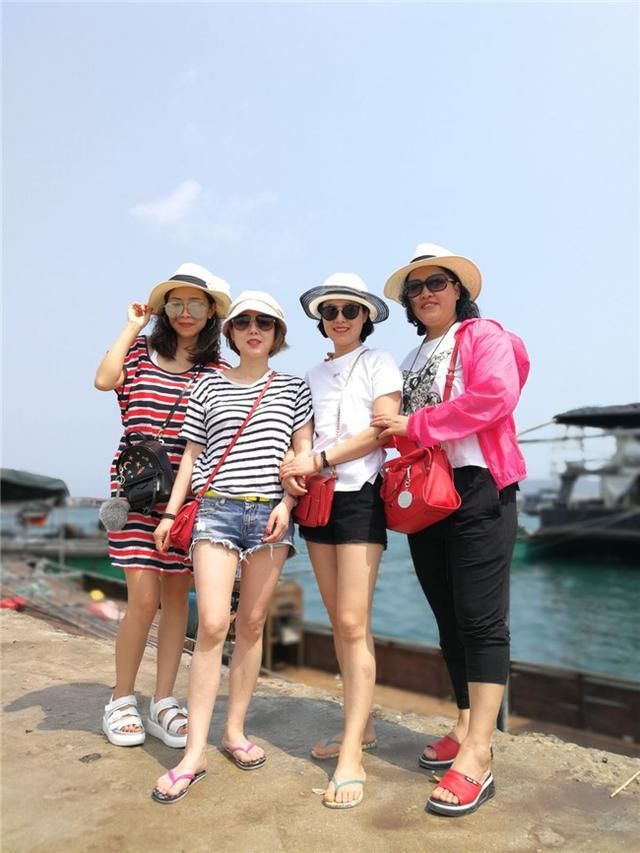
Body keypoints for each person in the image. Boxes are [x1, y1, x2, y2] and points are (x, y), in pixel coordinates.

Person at [372, 243, 529, 816]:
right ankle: (465, 725)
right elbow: (392, 427)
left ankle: (479, 755)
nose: (425, 293)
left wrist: (414, 423)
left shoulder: (483, 335)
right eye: (415, 288)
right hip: (426, 494)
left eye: (436, 282)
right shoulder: (412, 356)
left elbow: (497, 396)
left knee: (482, 620)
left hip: (479, 486)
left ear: (458, 289)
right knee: (449, 616)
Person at [151, 291, 313, 804]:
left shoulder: (293, 388)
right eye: (243, 322)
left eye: (265, 322)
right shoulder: (207, 386)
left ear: (278, 334)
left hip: (269, 515)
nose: (253, 329)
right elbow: (190, 455)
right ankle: (193, 752)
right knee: (213, 624)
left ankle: (234, 730)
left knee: (254, 624)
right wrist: (172, 513)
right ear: (231, 332)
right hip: (216, 509)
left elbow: (302, 454)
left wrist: (288, 503)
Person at [95, 263, 232, 748]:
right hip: (135, 495)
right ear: (164, 309)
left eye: (196, 303)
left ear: (211, 311)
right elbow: (103, 379)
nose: (185, 312)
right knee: (143, 599)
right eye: (176, 303)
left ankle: (162, 701)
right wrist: (133, 325)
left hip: (186, 499)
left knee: (177, 600)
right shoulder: (138, 354)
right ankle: (120, 698)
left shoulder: (216, 372)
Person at [280, 274, 402, 809]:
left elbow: (383, 430)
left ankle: (352, 753)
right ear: (321, 319)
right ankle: (363, 724)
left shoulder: (380, 362)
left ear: (365, 316)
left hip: (360, 496)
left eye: (349, 310)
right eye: (330, 311)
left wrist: (321, 458)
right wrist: (298, 464)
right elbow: (302, 434)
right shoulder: (310, 374)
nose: (339, 319)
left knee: (353, 622)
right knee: (340, 621)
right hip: (318, 498)